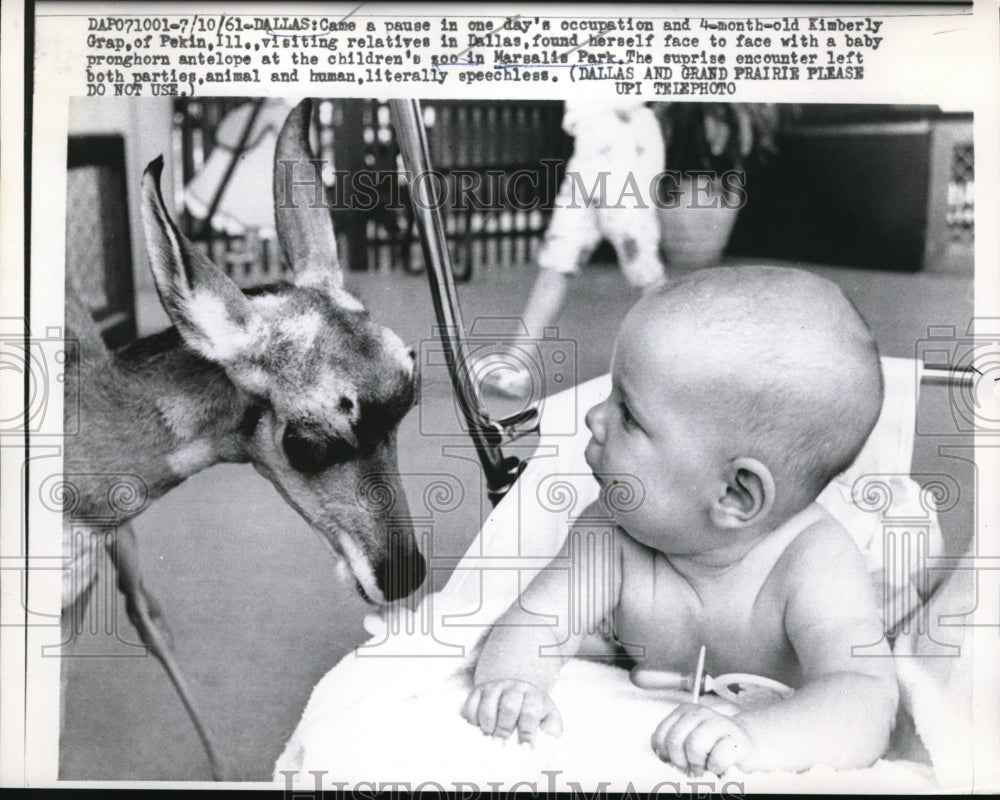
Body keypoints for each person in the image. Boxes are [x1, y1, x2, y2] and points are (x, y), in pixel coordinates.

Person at [462, 266, 899, 775]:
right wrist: (515, 685)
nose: (593, 418)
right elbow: (538, 622)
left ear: (736, 493)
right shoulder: (612, 532)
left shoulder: (814, 564)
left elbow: (865, 698)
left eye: (629, 415)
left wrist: (756, 740)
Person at [478, 98, 666, 398]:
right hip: (589, 148)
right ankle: (516, 367)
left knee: (641, 263)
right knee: (558, 258)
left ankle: (683, 357)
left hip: (623, 146)